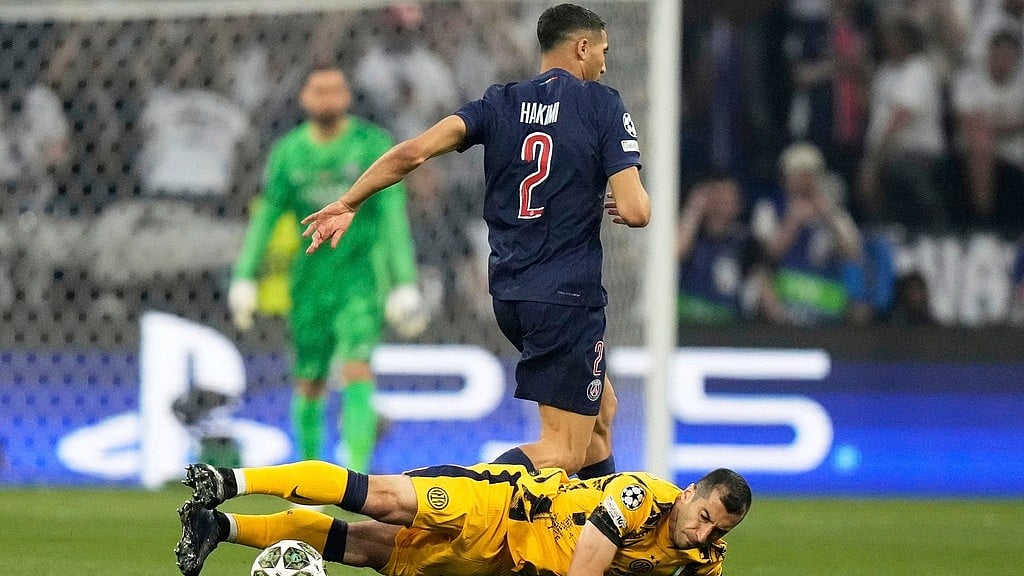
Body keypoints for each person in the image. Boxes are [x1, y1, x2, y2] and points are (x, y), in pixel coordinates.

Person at [301, 3, 650, 478]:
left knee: (602, 416)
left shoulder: (499, 102)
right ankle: (450, 488)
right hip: (566, 297)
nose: (605, 65)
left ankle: (599, 521)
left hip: (509, 295)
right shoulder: (601, 104)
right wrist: (626, 199)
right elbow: (636, 210)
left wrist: (348, 201)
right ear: (582, 47)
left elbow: (413, 152)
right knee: (564, 450)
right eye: (603, 51)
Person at [227, 64, 425, 472]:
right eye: (318, 90)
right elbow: (267, 216)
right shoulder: (288, 153)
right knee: (310, 378)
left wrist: (404, 281)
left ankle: (356, 476)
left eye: (335, 90)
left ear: (347, 97)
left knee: (356, 368)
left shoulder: (372, 146)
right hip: (309, 281)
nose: (327, 98)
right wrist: (244, 275)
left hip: (360, 277)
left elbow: (392, 215)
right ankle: (309, 480)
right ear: (304, 97)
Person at [174, 461, 751, 576]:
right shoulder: (638, 497)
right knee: (384, 499)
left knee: (372, 549)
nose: (702, 534)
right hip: (502, 506)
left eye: (717, 531)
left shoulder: (705, 558)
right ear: (689, 493)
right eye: (703, 516)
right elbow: (585, 569)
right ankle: (231, 481)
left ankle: (219, 528)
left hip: (504, 565)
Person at [752, 142, 869, 325]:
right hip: (786, 296)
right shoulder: (769, 208)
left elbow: (853, 252)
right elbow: (768, 255)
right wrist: (793, 221)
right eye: (799, 174)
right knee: (760, 278)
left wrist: (830, 216)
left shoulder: (832, 210)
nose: (805, 180)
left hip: (826, 296)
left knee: (858, 280)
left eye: (811, 174)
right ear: (785, 177)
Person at [675, 174, 763, 326]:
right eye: (718, 198)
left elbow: (760, 280)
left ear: (739, 204)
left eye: (728, 199)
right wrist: (694, 209)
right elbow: (675, 254)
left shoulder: (745, 242)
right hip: (685, 324)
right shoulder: (691, 233)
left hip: (726, 329)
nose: (722, 206)